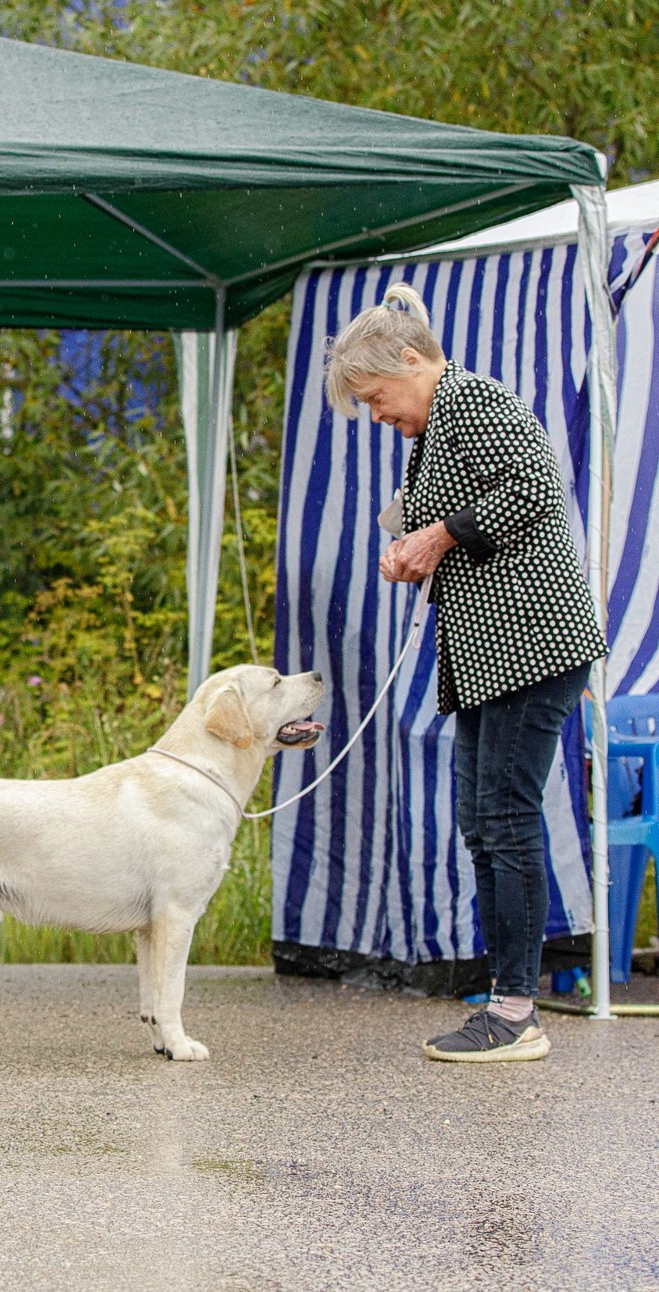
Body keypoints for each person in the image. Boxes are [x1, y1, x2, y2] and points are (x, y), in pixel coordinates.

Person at [327, 282, 606, 1063]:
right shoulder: (436, 425)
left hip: (532, 645)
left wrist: (439, 536)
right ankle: (505, 1001)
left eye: (376, 398)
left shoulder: (473, 399)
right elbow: (466, 520)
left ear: (411, 360)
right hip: (491, 657)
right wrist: (413, 548)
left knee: (505, 822)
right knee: (483, 825)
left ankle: (515, 1013)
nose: (376, 416)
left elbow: (537, 485)